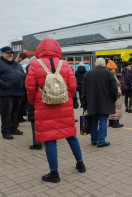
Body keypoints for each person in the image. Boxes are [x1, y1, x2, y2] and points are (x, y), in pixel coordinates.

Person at [25, 38, 86, 183]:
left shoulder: (34, 64)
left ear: (40, 49)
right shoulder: (64, 64)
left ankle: (54, 173)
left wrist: (34, 101)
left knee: (50, 139)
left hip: (44, 105)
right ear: (57, 49)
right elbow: (72, 86)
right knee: (71, 135)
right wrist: (66, 98)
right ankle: (80, 164)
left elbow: (30, 86)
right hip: (64, 105)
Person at [82, 57, 117, 146]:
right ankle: (101, 141)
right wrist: (114, 98)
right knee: (103, 121)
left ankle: (94, 140)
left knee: (93, 121)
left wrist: (84, 103)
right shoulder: (108, 74)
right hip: (105, 102)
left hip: (91, 102)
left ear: (95, 64)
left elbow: (83, 91)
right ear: (105, 65)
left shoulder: (88, 74)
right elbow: (114, 89)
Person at [0, 46, 25, 139]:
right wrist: (5, 85)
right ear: (2, 53)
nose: (10, 54)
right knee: (6, 113)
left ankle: (14, 128)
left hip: (19, 92)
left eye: (11, 52)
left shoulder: (16, 64)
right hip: (6, 93)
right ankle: (6, 131)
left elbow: (22, 74)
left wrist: (22, 84)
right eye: (8, 53)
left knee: (16, 112)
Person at [25, 56, 42, 150]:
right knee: (45, 121)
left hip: (34, 99)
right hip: (46, 98)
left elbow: (29, 87)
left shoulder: (30, 70)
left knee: (34, 121)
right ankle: (49, 140)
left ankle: (37, 143)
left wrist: (30, 100)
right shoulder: (46, 68)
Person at [106, 59, 124, 128]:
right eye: (114, 69)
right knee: (117, 108)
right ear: (111, 69)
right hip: (115, 94)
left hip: (110, 95)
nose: (115, 70)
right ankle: (116, 122)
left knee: (111, 108)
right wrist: (119, 92)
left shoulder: (108, 75)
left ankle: (111, 122)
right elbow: (115, 86)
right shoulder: (112, 76)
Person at [16, 52, 29, 123]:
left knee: (20, 104)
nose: (16, 58)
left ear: (21, 58)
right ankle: (20, 117)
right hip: (26, 87)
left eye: (17, 57)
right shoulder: (28, 64)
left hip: (22, 87)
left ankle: (19, 117)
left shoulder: (22, 66)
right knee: (24, 103)